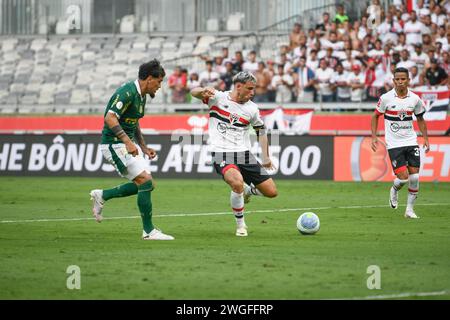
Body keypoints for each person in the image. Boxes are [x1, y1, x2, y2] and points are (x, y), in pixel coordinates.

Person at [89, 59, 174, 240]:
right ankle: (149, 231)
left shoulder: (141, 96)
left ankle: (102, 195)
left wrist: (143, 146)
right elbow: (110, 118)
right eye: (159, 82)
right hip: (113, 144)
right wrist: (128, 142)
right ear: (149, 78)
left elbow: (133, 122)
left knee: (147, 184)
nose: (159, 86)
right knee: (145, 181)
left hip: (124, 144)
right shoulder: (127, 92)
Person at [190, 71, 278, 237]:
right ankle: (241, 225)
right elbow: (193, 92)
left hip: (244, 154)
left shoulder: (252, 109)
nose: (253, 92)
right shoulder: (218, 98)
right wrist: (202, 90)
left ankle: (248, 192)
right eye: (250, 88)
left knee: (271, 192)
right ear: (239, 86)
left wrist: (266, 157)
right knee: (236, 183)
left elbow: (261, 131)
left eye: (254, 89)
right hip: (221, 153)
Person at [371, 67, 430, 219]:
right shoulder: (386, 98)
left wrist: (426, 138)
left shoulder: (415, 99)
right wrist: (374, 136)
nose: (400, 82)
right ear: (394, 81)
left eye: (403, 79)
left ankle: (409, 210)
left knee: (415, 177)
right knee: (403, 178)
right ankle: (394, 189)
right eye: (397, 79)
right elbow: (375, 116)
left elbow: (421, 119)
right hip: (394, 143)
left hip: (411, 140)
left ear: (408, 80)